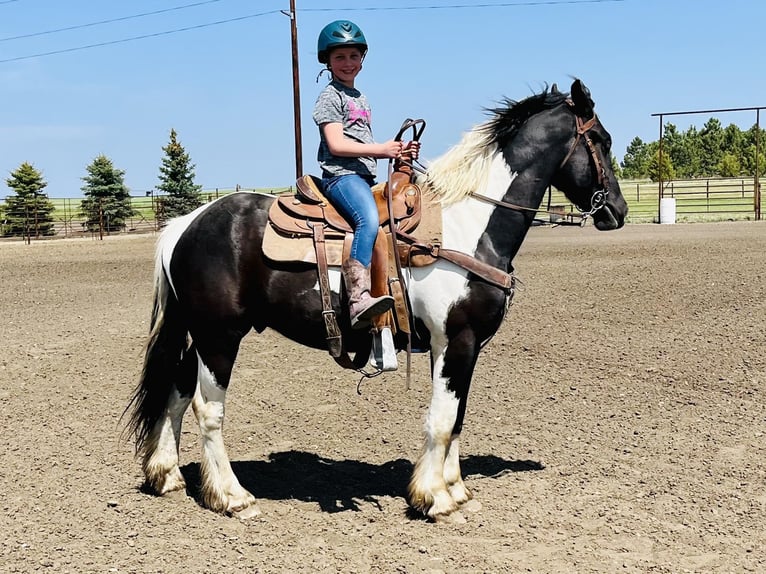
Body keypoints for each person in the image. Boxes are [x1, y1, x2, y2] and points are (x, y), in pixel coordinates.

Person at [312, 20, 419, 330]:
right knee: (368, 220)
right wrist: (382, 150)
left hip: (363, 176)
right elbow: (336, 143)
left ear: (362, 59)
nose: (348, 63)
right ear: (328, 62)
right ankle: (358, 297)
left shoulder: (360, 97)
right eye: (340, 57)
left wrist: (397, 151)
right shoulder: (329, 97)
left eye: (354, 56)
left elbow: (362, 142)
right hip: (341, 176)